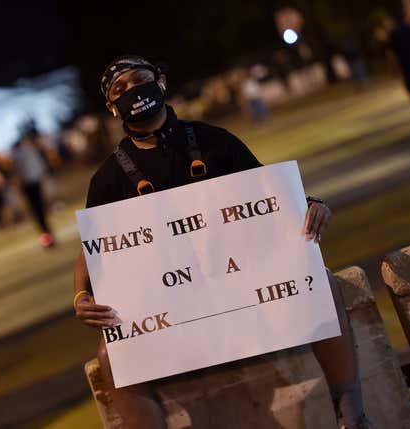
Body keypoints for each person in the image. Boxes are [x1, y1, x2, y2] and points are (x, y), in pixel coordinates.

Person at [72, 55, 372, 429]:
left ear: (161, 81)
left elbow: (271, 199)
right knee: (111, 355)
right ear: (111, 107)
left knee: (321, 282)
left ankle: (351, 413)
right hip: (176, 312)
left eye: (139, 80)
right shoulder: (107, 180)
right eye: (121, 90)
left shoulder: (216, 142)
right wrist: (81, 298)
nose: (133, 91)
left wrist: (311, 204)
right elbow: (92, 254)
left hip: (244, 293)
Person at [11, 128, 55, 248]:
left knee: (37, 213)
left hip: (28, 185)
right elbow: (41, 166)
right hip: (36, 181)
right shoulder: (31, 151)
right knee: (41, 210)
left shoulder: (17, 155)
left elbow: (17, 172)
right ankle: (49, 235)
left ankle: (46, 237)